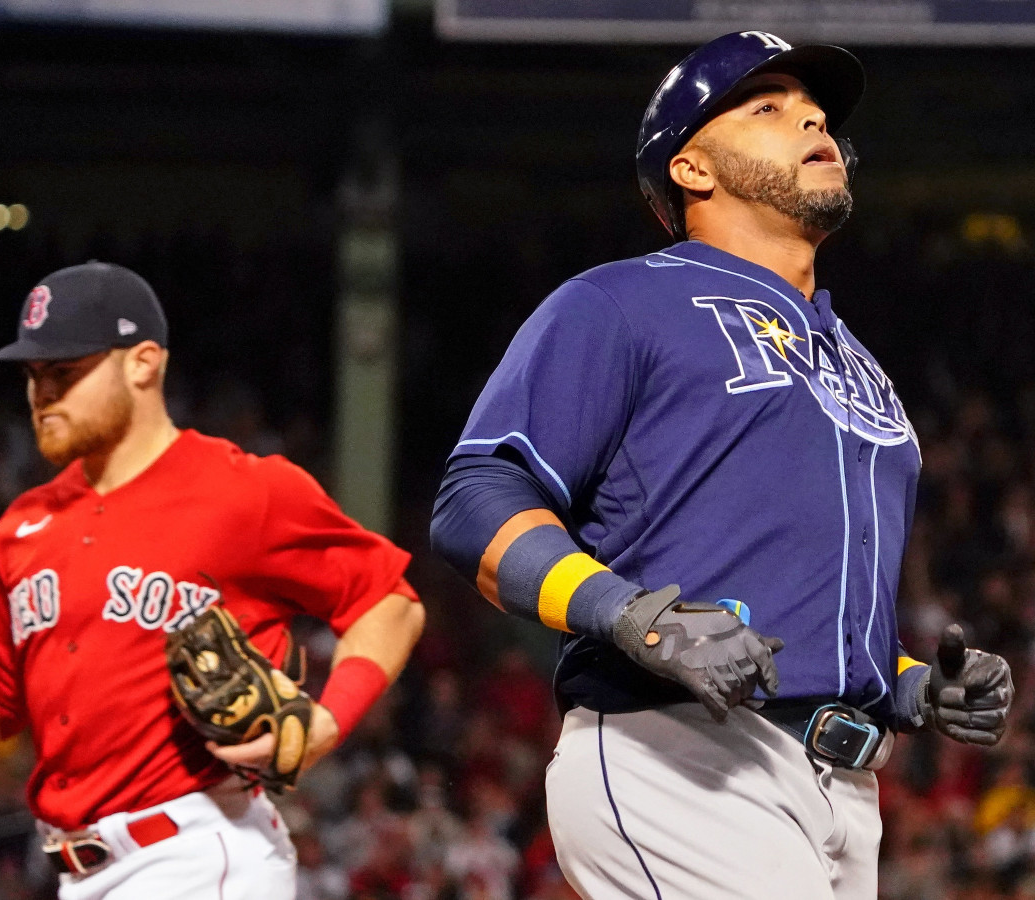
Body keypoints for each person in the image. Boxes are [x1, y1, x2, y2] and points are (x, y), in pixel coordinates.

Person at [430, 30, 1013, 899]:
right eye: (768, 106)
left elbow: (802, 592)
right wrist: (629, 615)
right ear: (692, 168)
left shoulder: (855, 357)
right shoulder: (619, 302)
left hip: (845, 789)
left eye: (815, 110)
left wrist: (910, 685)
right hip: (678, 752)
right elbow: (475, 497)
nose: (811, 117)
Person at [0, 261, 425, 899]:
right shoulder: (23, 526)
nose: (43, 392)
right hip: (79, 870)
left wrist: (329, 721)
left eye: (64, 372)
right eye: (33, 375)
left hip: (199, 851)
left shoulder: (241, 490)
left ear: (143, 362)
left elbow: (389, 601)